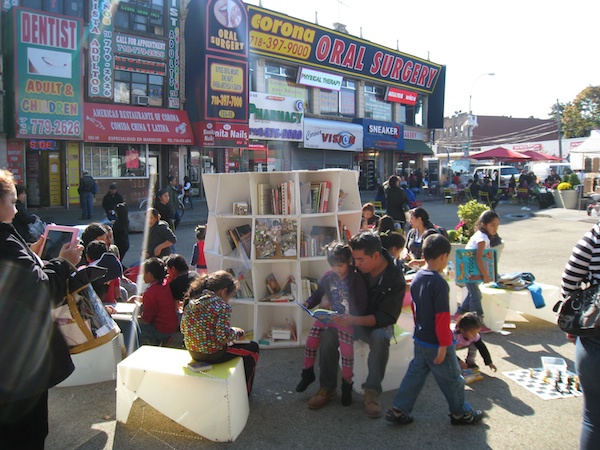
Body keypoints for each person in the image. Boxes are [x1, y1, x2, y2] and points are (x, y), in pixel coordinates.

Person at [0, 169, 82, 447]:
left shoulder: (10, 242)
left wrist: (32, 256)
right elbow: (41, 291)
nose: (16, 209)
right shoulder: (5, 243)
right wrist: (64, 262)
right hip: (18, 365)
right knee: (27, 435)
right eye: (12, 202)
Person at [386, 234, 484, 426]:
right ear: (443, 257)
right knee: (453, 379)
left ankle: (399, 409)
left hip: (421, 338)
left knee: (414, 376)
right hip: (437, 342)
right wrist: (444, 346)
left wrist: (420, 331)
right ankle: (460, 413)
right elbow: (441, 318)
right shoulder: (439, 282)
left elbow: (415, 309)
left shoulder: (417, 277)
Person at [315, 232, 405, 418]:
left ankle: (371, 392)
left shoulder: (395, 277)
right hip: (349, 319)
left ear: (376, 256)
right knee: (328, 334)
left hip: (375, 323)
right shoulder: (355, 266)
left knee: (381, 338)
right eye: (353, 259)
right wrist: (325, 297)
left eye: (360, 260)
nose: (355, 264)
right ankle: (327, 387)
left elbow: (386, 317)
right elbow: (329, 283)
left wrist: (354, 320)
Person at [296, 243, 369, 408]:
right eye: (333, 265)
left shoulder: (355, 279)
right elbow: (318, 292)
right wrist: (308, 302)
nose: (337, 269)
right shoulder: (329, 276)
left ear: (349, 262)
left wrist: (354, 317)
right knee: (311, 340)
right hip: (328, 317)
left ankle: (346, 385)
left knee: (347, 352)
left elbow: (362, 302)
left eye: (340, 265)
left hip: (346, 320)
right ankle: (307, 373)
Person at [181, 270, 260, 395]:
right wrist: (237, 333)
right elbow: (223, 337)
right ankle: (245, 392)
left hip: (193, 351)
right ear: (223, 292)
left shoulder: (193, 300)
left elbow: (183, 328)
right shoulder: (222, 306)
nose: (228, 301)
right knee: (253, 349)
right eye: (229, 297)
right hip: (213, 354)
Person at [561, 223, 600, 449]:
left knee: (593, 419)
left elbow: (570, 279)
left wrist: (574, 324)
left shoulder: (595, 236)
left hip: (595, 339)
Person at [455, 210, 501, 331]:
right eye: (492, 225)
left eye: (497, 225)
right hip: (470, 272)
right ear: (483, 225)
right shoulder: (483, 239)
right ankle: (477, 324)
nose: (495, 228)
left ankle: (460, 313)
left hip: (467, 270)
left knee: (472, 293)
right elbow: (479, 259)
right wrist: (486, 275)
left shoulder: (480, 235)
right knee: (476, 296)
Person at [138, 257, 179, 346]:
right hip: (172, 324)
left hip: (162, 329)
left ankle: (154, 344)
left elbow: (147, 319)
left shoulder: (150, 292)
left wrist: (138, 319)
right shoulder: (165, 283)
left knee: (136, 327)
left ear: (149, 274)